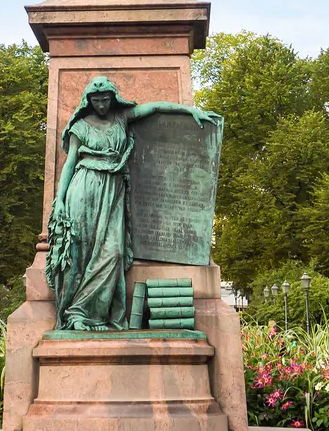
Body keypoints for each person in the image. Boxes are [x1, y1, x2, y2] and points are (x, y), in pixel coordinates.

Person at [45, 76, 214, 331]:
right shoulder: (80, 127)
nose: (101, 105)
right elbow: (69, 165)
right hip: (84, 189)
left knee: (113, 253)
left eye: (105, 100)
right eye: (96, 100)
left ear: (112, 99)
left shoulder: (122, 118)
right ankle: (77, 314)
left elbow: (155, 108)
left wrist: (189, 110)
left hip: (113, 190)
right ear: (88, 101)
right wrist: (59, 201)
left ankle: (94, 312)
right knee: (81, 253)